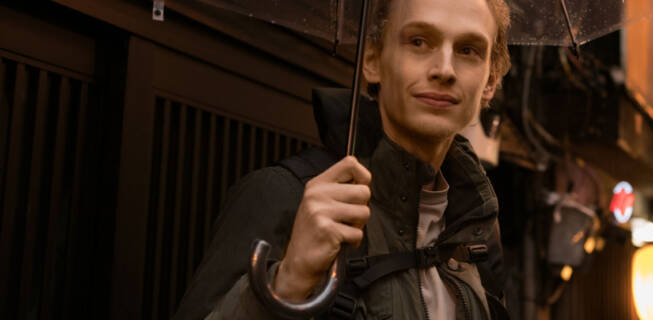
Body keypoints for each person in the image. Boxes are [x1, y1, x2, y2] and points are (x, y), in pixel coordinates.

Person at [173, 0, 512, 318]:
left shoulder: (474, 226)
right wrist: (287, 280)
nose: (444, 69)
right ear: (373, 61)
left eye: (468, 50)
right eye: (419, 42)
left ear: (490, 82)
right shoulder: (284, 196)